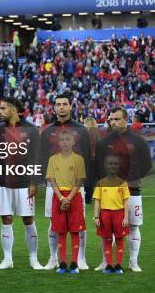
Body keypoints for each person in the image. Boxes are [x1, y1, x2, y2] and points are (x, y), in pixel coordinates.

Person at [94, 107, 151, 272]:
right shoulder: (104, 141)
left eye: (117, 119)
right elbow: (98, 164)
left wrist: (128, 179)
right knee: (107, 229)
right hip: (109, 191)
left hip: (132, 190)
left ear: (126, 119)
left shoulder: (137, 140)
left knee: (133, 226)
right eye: (111, 119)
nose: (113, 122)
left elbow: (147, 165)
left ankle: (133, 262)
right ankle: (106, 262)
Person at [40, 93, 91, 270]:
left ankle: (81, 259)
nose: (61, 107)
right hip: (53, 185)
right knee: (53, 223)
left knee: (79, 223)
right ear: (54, 108)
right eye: (58, 104)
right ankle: (54, 258)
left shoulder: (81, 130)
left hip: (76, 185)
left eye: (64, 104)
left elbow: (87, 156)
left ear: (71, 107)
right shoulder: (47, 131)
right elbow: (42, 157)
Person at [0, 97, 43, 270]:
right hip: (4, 183)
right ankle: (7, 259)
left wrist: (34, 182)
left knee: (28, 219)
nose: (0, 111)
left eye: (3, 108)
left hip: (24, 183)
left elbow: (37, 156)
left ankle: (34, 259)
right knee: (6, 218)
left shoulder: (31, 130)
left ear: (13, 110)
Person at [45, 130, 86, 274]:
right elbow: (52, 180)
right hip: (59, 196)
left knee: (75, 232)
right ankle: (62, 263)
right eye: (62, 140)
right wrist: (62, 198)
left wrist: (69, 197)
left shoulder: (79, 159)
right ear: (58, 142)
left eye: (68, 139)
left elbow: (79, 180)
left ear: (73, 142)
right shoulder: (53, 159)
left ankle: (74, 263)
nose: (65, 142)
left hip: (74, 196)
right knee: (61, 232)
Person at [93, 154, 130, 274]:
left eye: (115, 164)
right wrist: (96, 216)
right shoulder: (100, 182)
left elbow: (126, 201)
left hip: (119, 214)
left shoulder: (122, 183)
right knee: (107, 239)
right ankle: (109, 265)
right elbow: (97, 201)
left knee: (119, 239)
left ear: (118, 166)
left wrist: (126, 217)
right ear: (105, 166)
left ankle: (118, 265)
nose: (113, 166)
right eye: (110, 164)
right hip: (105, 215)